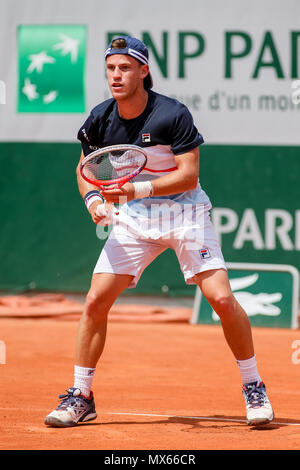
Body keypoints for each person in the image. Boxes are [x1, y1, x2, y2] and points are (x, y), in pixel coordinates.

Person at [44, 36, 274, 427]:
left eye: (125, 68)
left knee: (220, 299)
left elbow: (189, 174)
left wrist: (137, 188)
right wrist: (95, 203)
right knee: (95, 300)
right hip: (135, 219)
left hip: (185, 213)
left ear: (143, 71)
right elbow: (85, 170)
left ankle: (254, 387)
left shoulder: (172, 114)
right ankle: (81, 395)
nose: (116, 75)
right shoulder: (101, 118)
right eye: (111, 68)